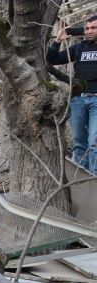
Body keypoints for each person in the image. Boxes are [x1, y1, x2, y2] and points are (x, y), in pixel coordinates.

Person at [47, 16, 97, 173]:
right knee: (79, 143)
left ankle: (94, 179)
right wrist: (57, 41)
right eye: (87, 28)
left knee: (94, 142)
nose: (89, 31)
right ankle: (81, 179)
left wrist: (73, 30)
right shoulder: (79, 48)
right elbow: (52, 59)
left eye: (93, 28)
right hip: (78, 100)